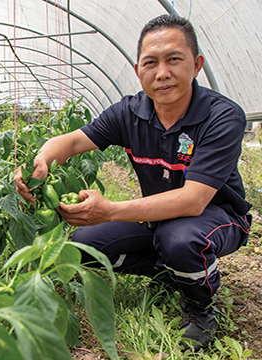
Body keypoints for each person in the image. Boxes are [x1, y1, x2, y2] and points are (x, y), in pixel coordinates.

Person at [14, 14, 252, 351]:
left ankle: (199, 307)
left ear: (196, 65)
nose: (162, 73)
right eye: (150, 63)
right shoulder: (129, 112)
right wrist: (39, 162)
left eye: (174, 60)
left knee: (180, 238)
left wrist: (110, 211)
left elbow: (194, 201)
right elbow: (71, 142)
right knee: (84, 245)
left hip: (219, 217)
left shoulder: (222, 116)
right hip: (159, 218)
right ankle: (173, 273)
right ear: (139, 70)